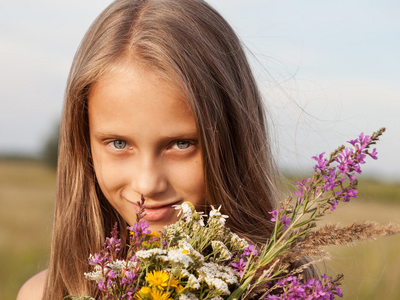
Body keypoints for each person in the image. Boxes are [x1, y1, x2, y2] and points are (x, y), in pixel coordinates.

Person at [17, 0, 288, 299]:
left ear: (231, 141)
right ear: (83, 144)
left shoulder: (284, 292)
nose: (147, 184)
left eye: (181, 144)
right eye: (119, 144)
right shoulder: (42, 294)